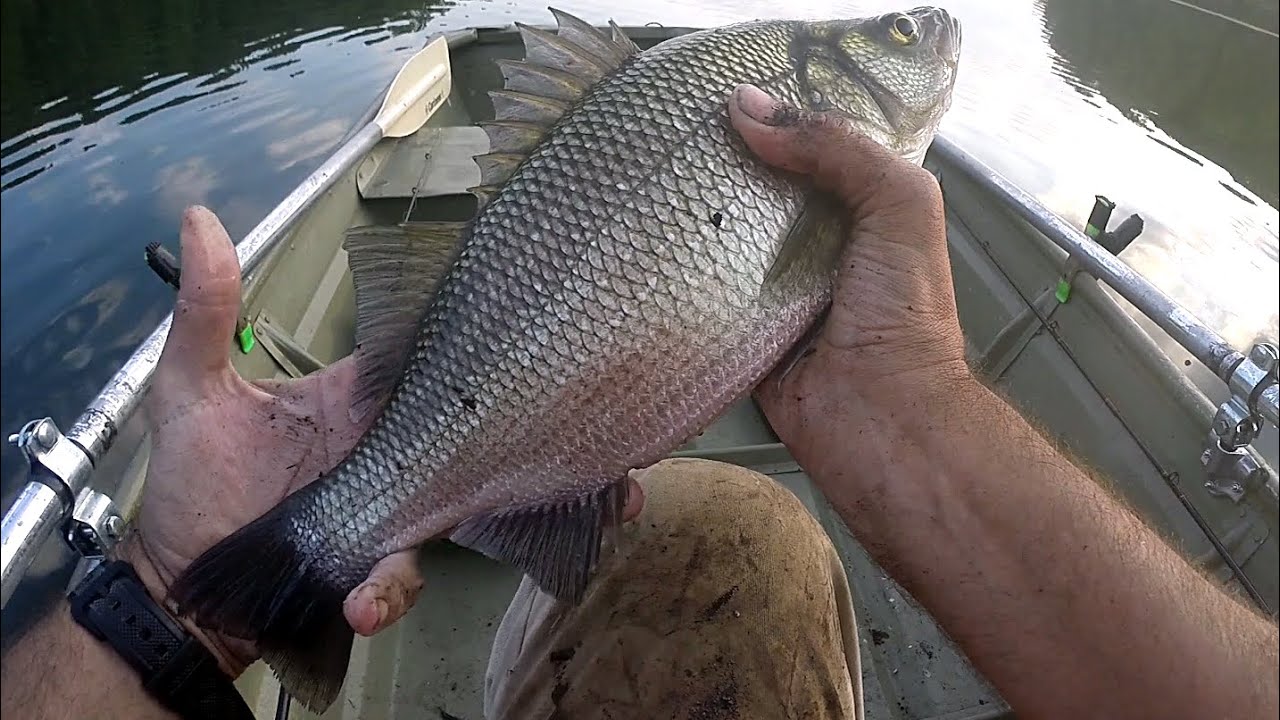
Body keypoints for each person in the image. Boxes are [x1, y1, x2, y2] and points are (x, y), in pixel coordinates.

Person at [2, 84, 1276, 720]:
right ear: (820, 94)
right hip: (414, 453)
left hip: (399, 468)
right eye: (892, 32)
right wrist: (182, 603)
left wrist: (171, 601)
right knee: (748, 534)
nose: (923, 34)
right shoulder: (786, 142)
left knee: (716, 530)